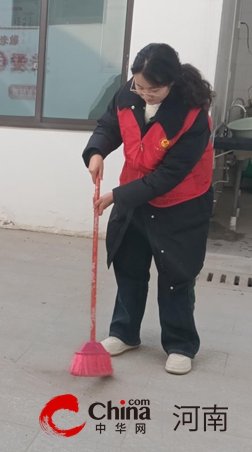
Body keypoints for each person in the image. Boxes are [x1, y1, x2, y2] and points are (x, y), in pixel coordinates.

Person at [82, 43, 215, 375]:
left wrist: (116, 195)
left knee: (176, 274)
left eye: (152, 90)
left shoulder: (193, 115)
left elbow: (169, 176)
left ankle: (181, 343)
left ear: (171, 83)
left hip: (180, 203)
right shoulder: (129, 93)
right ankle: (124, 332)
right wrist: (97, 151)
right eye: (139, 86)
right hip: (134, 194)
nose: (143, 94)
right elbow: (109, 125)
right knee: (129, 265)